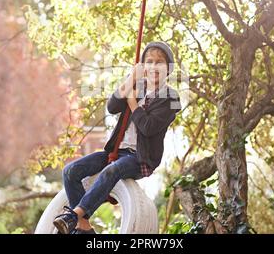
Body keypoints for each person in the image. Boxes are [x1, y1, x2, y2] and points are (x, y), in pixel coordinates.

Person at [53, 41, 181, 234]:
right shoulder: (136, 86)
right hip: (116, 151)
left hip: (139, 158)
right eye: (150, 62)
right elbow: (112, 107)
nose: (154, 67)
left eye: (160, 62)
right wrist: (131, 79)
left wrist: (132, 103)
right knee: (70, 171)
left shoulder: (171, 98)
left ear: (168, 68)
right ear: (143, 66)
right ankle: (84, 226)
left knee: (113, 170)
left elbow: (148, 127)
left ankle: (74, 216)